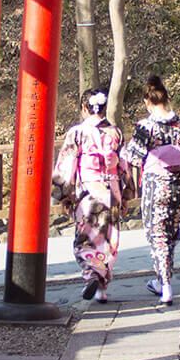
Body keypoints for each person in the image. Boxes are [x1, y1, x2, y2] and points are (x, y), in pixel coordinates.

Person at [120, 73, 180, 305]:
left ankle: (165, 284)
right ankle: (161, 279)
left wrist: (122, 154)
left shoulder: (147, 127)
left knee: (157, 235)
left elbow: (134, 156)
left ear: (147, 101)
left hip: (156, 186)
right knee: (170, 233)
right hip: (179, 185)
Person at [52, 87, 125, 301]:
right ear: (103, 108)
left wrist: (65, 194)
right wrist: (127, 194)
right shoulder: (115, 132)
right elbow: (124, 166)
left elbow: (67, 165)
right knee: (107, 241)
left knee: (85, 240)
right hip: (111, 192)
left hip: (88, 193)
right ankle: (102, 289)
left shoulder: (77, 132)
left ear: (85, 108)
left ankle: (92, 275)